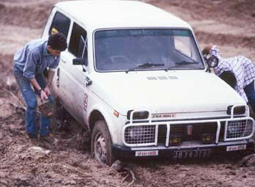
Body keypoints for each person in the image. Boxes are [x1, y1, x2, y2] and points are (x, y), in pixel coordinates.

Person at [13, 33, 67, 141]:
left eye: (60, 53)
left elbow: (52, 69)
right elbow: (28, 73)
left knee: (48, 99)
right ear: (49, 48)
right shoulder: (35, 51)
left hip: (37, 70)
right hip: (21, 70)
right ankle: (31, 134)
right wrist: (40, 90)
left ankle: (44, 134)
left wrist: (47, 86)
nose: (58, 55)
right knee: (32, 103)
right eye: (56, 52)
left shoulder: (57, 51)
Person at [202, 44, 255, 112]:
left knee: (250, 95)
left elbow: (244, 100)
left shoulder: (238, 85)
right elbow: (210, 46)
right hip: (235, 63)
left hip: (246, 66)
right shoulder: (216, 63)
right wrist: (201, 54)